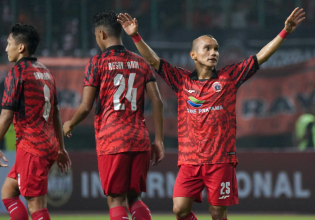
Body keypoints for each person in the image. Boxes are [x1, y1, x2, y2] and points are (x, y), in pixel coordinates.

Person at [118, 7, 305, 220]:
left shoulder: (229, 77)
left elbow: (260, 57)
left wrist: (285, 32)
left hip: (220, 160)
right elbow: (153, 61)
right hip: (189, 160)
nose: (213, 53)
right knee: (179, 209)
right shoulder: (182, 80)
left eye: (216, 49)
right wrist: (134, 35)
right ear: (193, 55)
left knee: (217, 212)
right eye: (207, 48)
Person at [62, 11, 164, 220]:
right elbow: (158, 102)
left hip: (113, 139)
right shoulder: (141, 62)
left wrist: (70, 124)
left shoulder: (97, 63)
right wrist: (159, 141)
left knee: (115, 199)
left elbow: (85, 106)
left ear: (101, 34)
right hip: (140, 138)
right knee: (135, 198)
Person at [0, 23, 71, 220]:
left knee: (36, 206)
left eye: (9, 44)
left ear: (21, 48)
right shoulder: (47, 73)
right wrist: (60, 148)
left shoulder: (17, 72)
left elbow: (7, 114)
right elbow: (57, 114)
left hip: (32, 147)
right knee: (8, 192)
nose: (6, 48)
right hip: (47, 145)